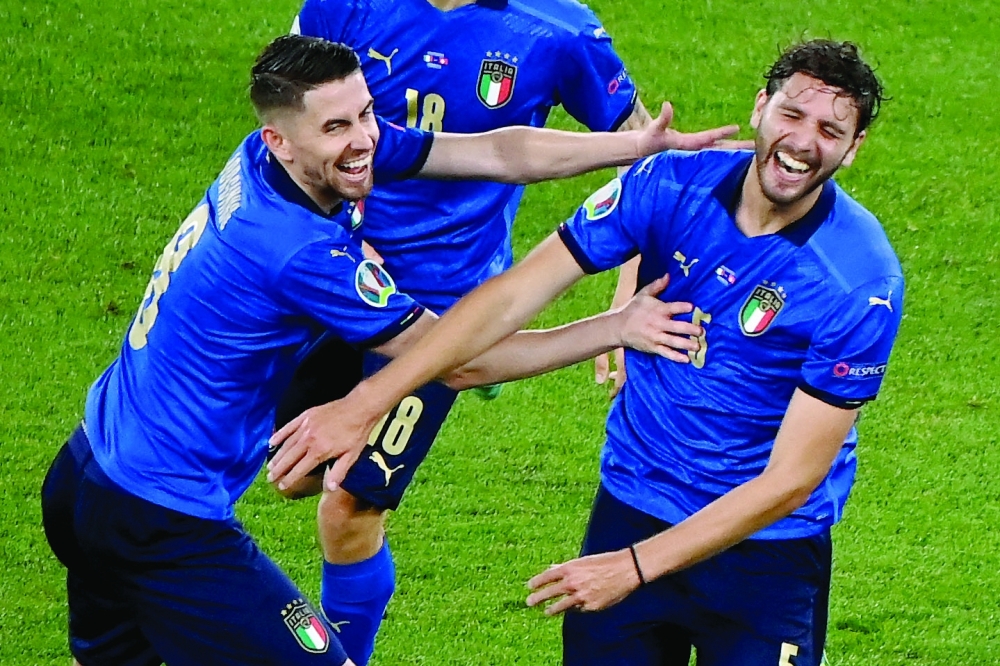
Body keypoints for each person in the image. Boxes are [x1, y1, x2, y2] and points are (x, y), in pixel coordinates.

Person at [39, 33, 734, 666]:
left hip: (84, 472)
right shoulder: (299, 250)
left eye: (365, 113)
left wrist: (639, 148)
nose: (364, 139)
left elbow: (494, 151)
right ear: (279, 138)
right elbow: (457, 361)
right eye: (337, 126)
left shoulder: (266, 162)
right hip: (160, 520)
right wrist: (611, 329)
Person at [268, 39, 902, 666]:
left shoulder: (860, 281)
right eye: (793, 114)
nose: (803, 142)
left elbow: (792, 479)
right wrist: (366, 401)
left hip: (764, 558)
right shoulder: (670, 182)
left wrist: (634, 568)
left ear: (852, 149)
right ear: (762, 108)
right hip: (632, 505)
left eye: (830, 129)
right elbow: (512, 297)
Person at [278, 1, 656, 662]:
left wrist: (631, 279)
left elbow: (647, 156)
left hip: (445, 307)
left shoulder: (561, 32)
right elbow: (286, 119)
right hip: (332, 273)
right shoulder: (345, 7)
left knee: (348, 505)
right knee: (290, 469)